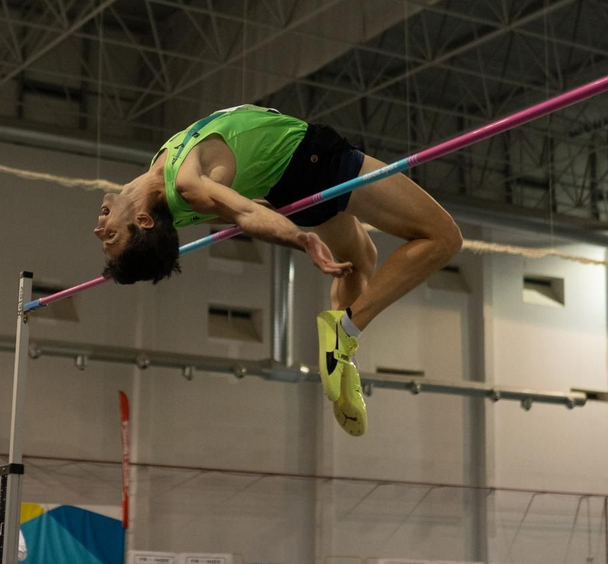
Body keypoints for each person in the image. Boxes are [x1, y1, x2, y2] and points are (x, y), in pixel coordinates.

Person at [92, 105, 460, 437]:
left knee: (360, 260)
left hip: (289, 185)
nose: (98, 228)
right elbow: (245, 214)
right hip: (314, 162)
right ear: (141, 220)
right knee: (444, 238)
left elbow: (241, 204)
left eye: (103, 234)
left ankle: (343, 359)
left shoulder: (154, 196)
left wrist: (276, 212)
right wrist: (301, 239)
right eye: (109, 234)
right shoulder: (187, 185)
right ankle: (344, 332)